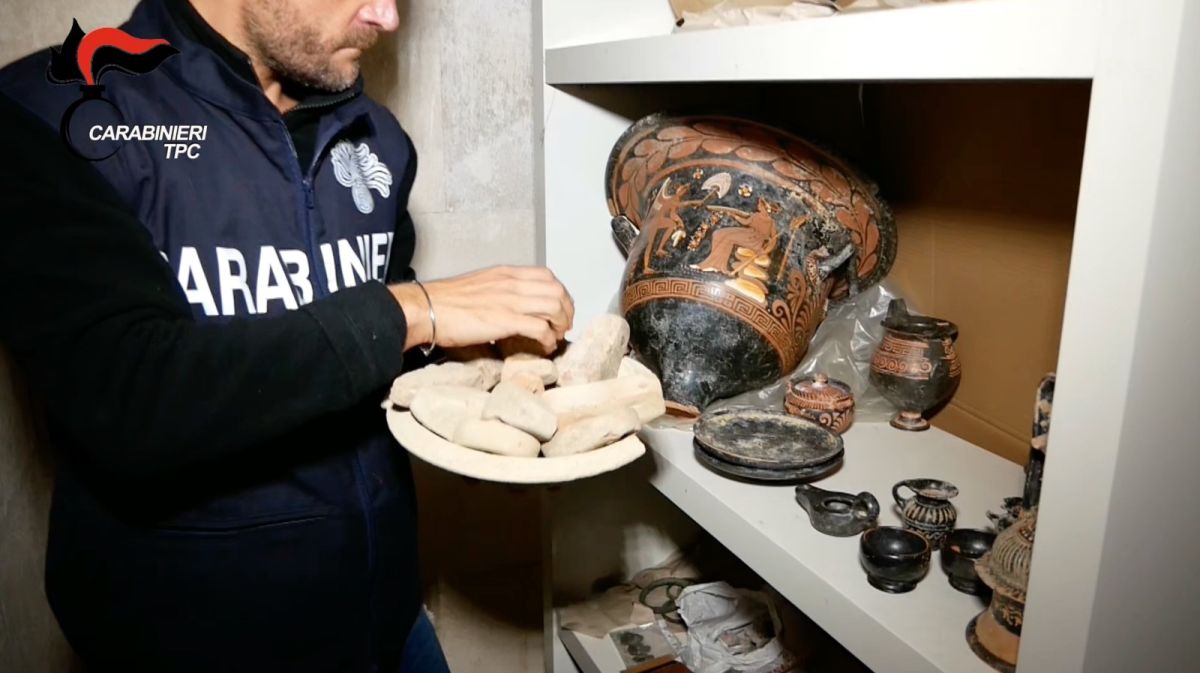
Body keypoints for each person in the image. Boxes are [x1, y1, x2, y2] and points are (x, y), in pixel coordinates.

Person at [0, 1, 573, 671]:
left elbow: (366, 346)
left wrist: (466, 372)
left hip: (388, 624)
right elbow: (129, 395)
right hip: (193, 647)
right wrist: (415, 312)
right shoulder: (50, 113)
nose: (387, 18)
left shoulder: (377, 138)